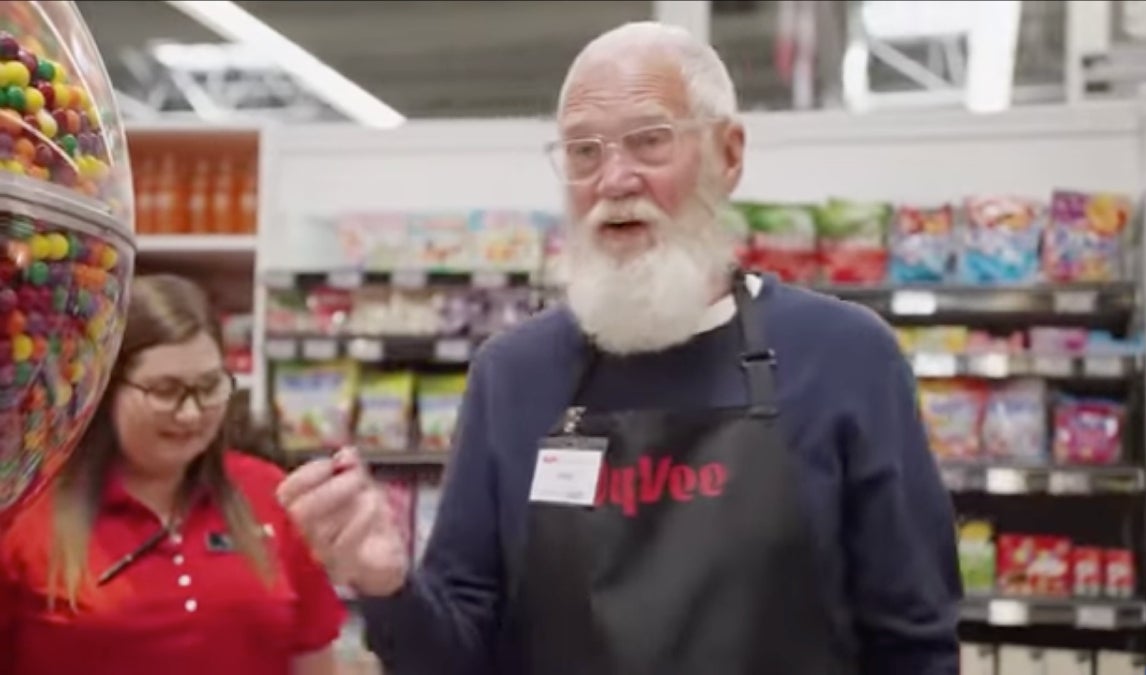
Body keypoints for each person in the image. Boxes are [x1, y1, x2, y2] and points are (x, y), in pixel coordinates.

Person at [278, 20, 962, 675]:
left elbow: (914, 642)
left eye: (649, 141)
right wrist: (389, 588)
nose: (614, 179)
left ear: (728, 155)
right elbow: (459, 655)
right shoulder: (514, 375)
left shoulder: (843, 357)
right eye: (583, 151)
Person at [0, 274, 346, 675]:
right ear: (106, 385)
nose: (191, 413)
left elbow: (313, 657)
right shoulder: (26, 511)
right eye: (165, 390)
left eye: (209, 386)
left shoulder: (270, 494)